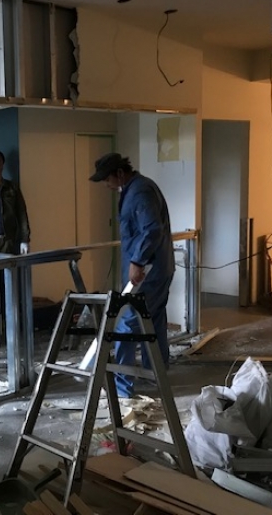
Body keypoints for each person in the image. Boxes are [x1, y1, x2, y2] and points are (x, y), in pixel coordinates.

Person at [89, 152, 174, 398]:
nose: (106, 185)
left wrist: (137, 261)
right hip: (157, 268)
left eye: (107, 179)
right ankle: (155, 371)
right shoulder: (136, 189)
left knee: (127, 324)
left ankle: (122, 386)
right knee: (153, 320)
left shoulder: (139, 192)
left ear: (119, 173)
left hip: (148, 271)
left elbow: (152, 229)